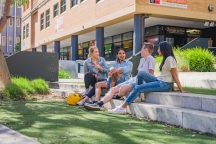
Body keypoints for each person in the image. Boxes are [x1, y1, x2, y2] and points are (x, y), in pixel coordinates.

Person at [107, 41, 187, 114]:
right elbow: (169, 75)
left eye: (159, 49)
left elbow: (174, 75)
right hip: (160, 80)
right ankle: (138, 95)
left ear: (163, 49)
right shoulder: (166, 58)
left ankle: (121, 107)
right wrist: (173, 88)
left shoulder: (169, 59)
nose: (158, 50)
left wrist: (181, 90)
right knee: (141, 73)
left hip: (164, 84)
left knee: (138, 87)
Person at [84, 42, 155, 111]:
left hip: (124, 80)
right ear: (117, 55)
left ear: (145, 49)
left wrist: (113, 71)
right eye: (120, 53)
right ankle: (98, 103)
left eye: (123, 53)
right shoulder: (142, 60)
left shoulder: (130, 63)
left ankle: (117, 100)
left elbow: (150, 74)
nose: (122, 55)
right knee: (102, 85)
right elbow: (110, 69)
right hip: (125, 80)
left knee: (115, 77)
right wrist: (111, 71)